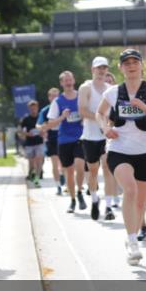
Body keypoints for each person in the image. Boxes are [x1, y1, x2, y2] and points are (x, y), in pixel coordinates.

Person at [96, 49, 146, 265]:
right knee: (130, 189)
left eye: (134, 62)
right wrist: (104, 128)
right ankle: (133, 242)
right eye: (126, 63)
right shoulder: (113, 92)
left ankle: (132, 237)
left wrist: (145, 108)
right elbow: (100, 113)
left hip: (145, 151)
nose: (131, 66)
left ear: (141, 65)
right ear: (120, 68)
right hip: (119, 150)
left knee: (140, 203)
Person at [43, 71, 86, 213]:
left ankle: (80, 191)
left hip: (80, 137)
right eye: (65, 80)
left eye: (70, 80)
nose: (68, 82)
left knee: (80, 167)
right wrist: (62, 117)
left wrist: (83, 117)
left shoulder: (81, 97)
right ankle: (73, 200)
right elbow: (49, 124)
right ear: (61, 83)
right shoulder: (57, 101)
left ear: (74, 80)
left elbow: (90, 113)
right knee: (69, 172)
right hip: (64, 139)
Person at [78, 57, 112, 219]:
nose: (101, 70)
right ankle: (94, 199)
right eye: (98, 68)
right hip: (90, 136)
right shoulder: (86, 88)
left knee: (108, 168)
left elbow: (114, 113)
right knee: (93, 170)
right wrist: (100, 120)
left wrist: (109, 125)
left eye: (104, 68)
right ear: (92, 69)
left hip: (107, 136)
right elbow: (82, 111)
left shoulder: (111, 89)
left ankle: (109, 206)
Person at [37, 87, 63, 195]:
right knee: (54, 162)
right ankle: (58, 185)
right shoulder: (45, 110)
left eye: (57, 95)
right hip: (52, 138)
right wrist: (43, 128)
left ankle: (63, 177)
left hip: (64, 137)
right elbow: (38, 125)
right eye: (52, 96)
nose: (55, 98)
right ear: (49, 97)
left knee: (64, 163)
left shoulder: (64, 107)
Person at [19, 100, 44, 186]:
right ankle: (31, 174)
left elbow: (46, 127)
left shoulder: (41, 118)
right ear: (29, 109)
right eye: (32, 108)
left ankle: (37, 177)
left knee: (39, 159)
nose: (33, 110)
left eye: (35, 108)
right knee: (31, 163)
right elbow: (20, 131)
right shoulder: (26, 119)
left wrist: (42, 132)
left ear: (37, 108)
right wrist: (27, 134)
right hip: (29, 143)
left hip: (39, 142)